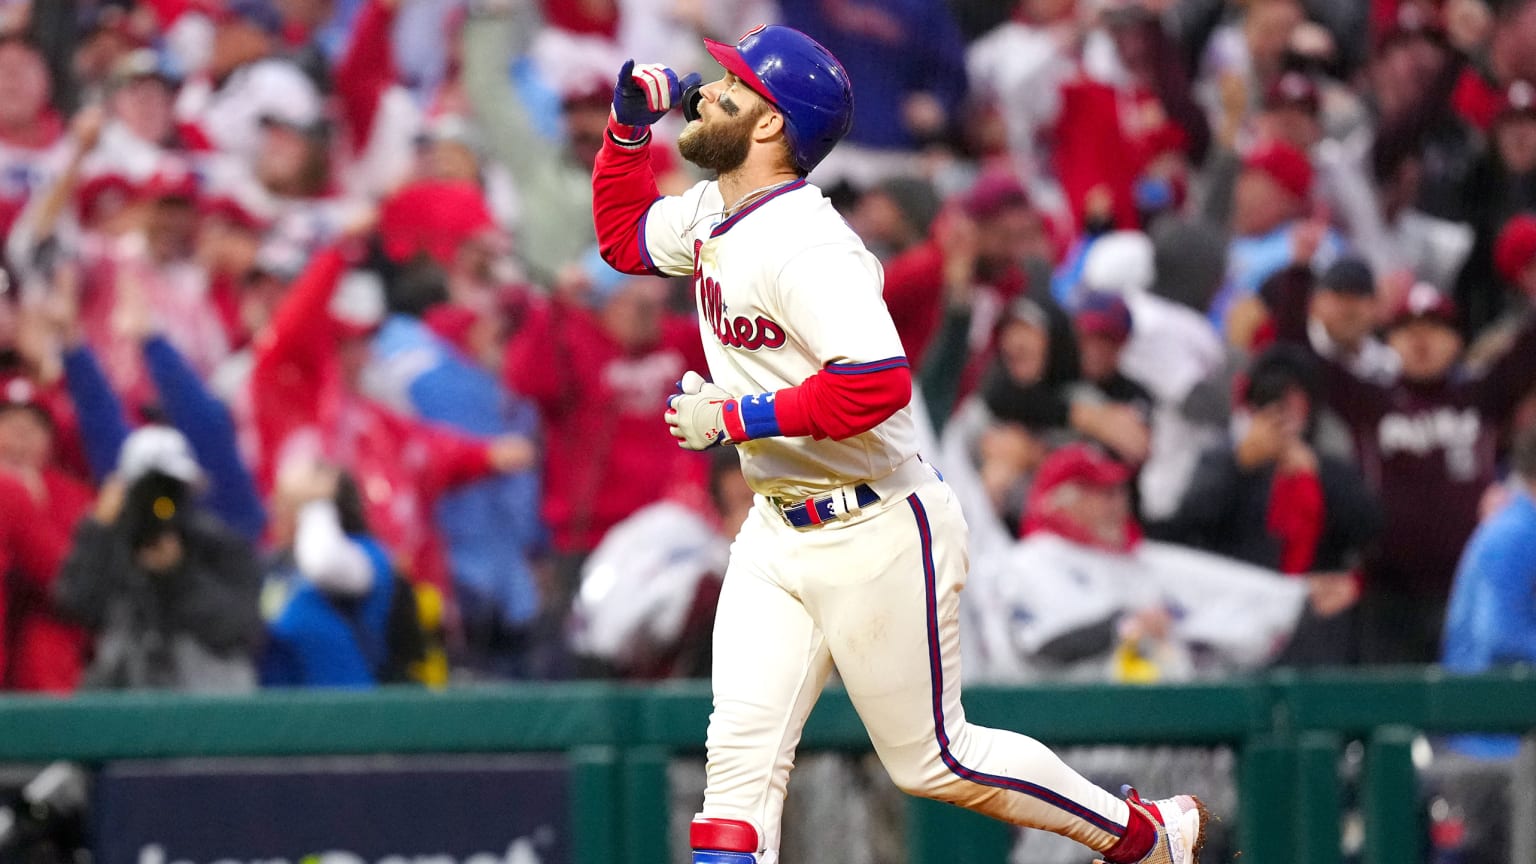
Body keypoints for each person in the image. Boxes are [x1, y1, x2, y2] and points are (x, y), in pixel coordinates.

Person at [592, 24, 1207, 864]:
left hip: (876, 525)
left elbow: (876, 384)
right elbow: (623, 239)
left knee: (933, 761)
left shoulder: (811, 247)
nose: (705, 93)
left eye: (731, 85)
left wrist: (735, 419)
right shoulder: (714, 208)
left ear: (769, 125)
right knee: (735, 774)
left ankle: (1143, 835)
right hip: (776, 531)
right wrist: (627, 132)